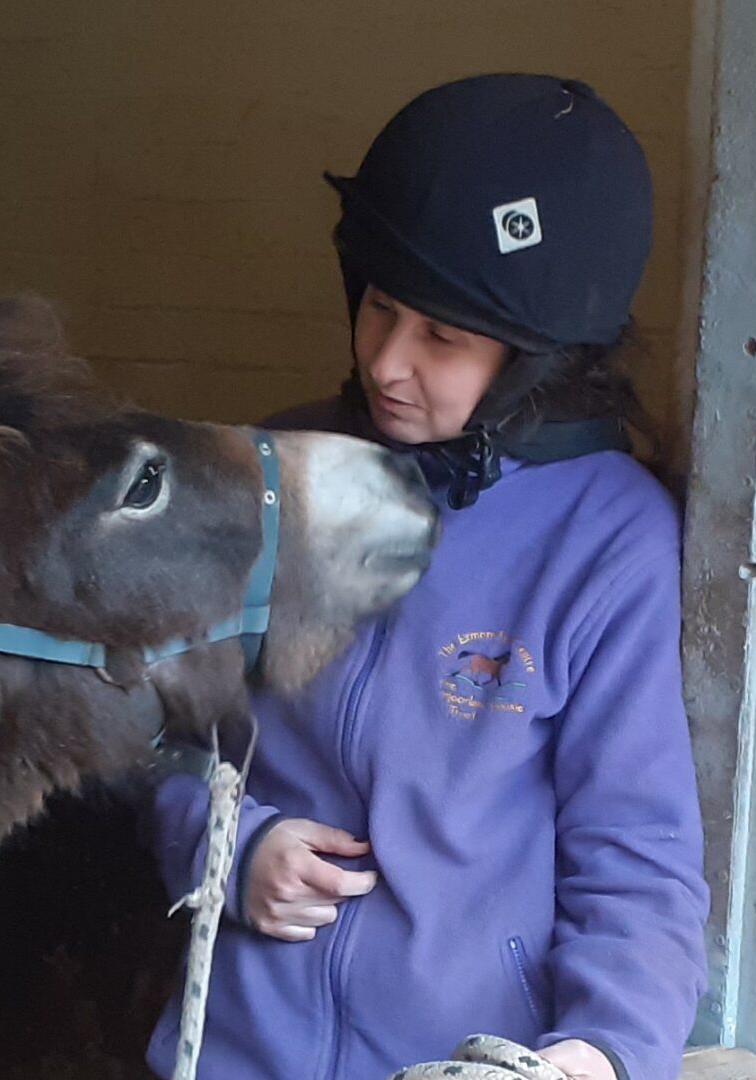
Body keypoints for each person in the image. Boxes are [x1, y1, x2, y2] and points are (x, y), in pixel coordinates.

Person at [145, 73, 708, 1080]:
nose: (386, 362)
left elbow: (636, 855)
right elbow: (164, 732)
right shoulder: (277, 473)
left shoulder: (608, 540)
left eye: (442, 337)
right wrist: (228, 850)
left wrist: (600, 1053)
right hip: (237, 1051)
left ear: (538, 361)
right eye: (379, 308)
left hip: (457, 1061)